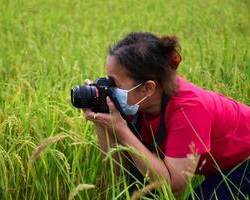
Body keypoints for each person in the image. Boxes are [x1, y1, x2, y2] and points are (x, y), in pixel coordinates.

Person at [83, 32, 250, 199]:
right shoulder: (139, 105)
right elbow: (120, 169)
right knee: (138, 188)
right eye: (106, 80)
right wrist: (100, 117)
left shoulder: (189, 109)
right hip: (218, 164)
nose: (108, 88)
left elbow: (172, 187)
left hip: (245, 160)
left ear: (148, 88)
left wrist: (122, 131)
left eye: (114, 83)